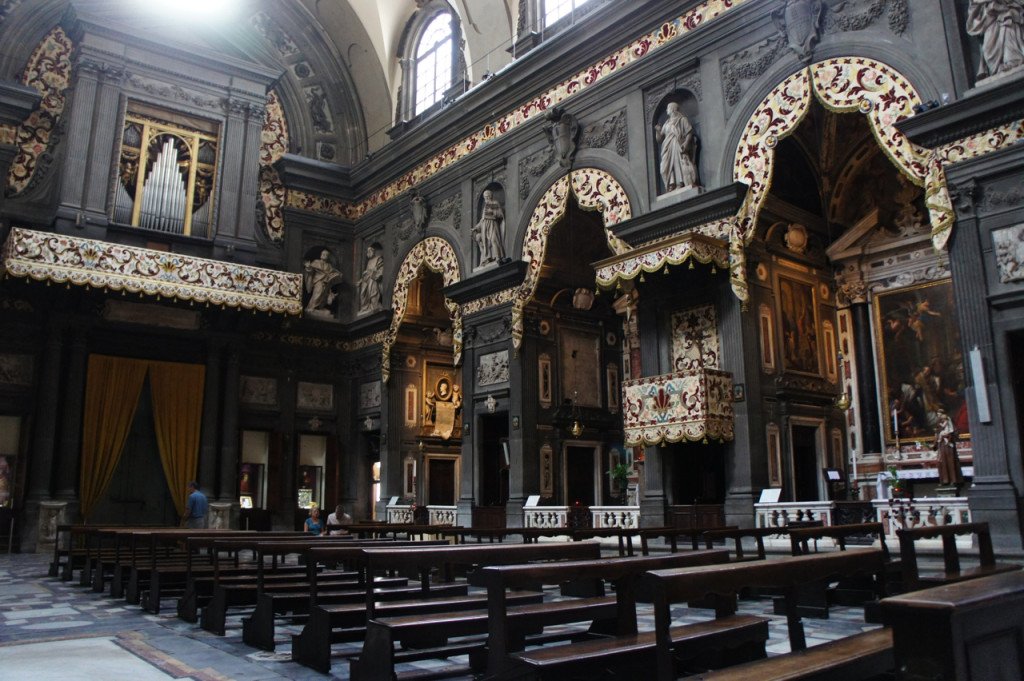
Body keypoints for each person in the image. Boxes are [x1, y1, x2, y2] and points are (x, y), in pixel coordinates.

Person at [966, 0, 1024, 79]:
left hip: (1007, 13)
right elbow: (974, 6)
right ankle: (996, 69)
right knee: (988, 49)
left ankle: (1013, 60)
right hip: (989, 19)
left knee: (1008, 29)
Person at [654, 102, 699, 192]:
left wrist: (686, 143)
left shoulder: (682, 120)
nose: (666, 110)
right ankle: (671, 183)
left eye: (668, 108)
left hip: (677, 144)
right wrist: (658, 131)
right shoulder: (667, 123)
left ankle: (679, 183)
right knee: (664, 167)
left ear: (673, 109)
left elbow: (689, 132)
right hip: (667, 147)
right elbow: (660, 139)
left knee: (677, 163)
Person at [304, 249, 343, 313]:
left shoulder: (329, 265)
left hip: (326, 282)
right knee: (318, 292)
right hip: (318, 281)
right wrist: (308, 267)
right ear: (321, 255)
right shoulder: (316, 262)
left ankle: (319, 308)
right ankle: (311, 307)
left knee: (324, 295)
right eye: (323, 254)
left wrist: (337, 275)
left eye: (326, 255)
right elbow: (310, 271)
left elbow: (333, 272)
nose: (325, 256)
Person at [473, 190, 505, 265]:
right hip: (485, 226)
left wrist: (492, 211)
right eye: (485, 197)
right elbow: (482, 220)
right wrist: (476, 228)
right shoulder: (485, 207)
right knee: (486, 242)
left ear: (490, 196)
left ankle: (498, 257)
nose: (486, 198)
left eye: (487, 196)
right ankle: (488, 258)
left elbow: (500, 214)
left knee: (494, 239)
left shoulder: (494, 203)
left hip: (492, 224)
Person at [936, 411, 964, 487]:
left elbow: (954, 433)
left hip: (949, 447)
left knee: (951, 462)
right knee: (942, 463)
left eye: (940, 415)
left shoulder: (949, 424)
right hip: (941, 446)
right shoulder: (939, 426)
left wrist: (948, 436)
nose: (939, 417)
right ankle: (944, 480)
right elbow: (937, 436)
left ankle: (953, 480)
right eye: (938, 415)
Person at [357, 243, 384, 314]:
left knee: (373, 292)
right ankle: (365, 307)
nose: (368, 253)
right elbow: (366, 272)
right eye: (367, 252)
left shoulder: (378, 259)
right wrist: (360, 280)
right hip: (366, 279)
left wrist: (372, 272)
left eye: (370, 251)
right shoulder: (369, 262)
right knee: (362, 293)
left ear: (373, 252)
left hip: (373, 279)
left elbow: (381, 270)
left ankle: (375, 305)